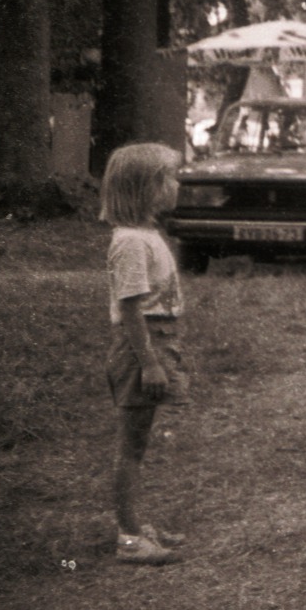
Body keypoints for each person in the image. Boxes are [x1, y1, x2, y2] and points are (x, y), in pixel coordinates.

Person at [101, 142, 190, 566]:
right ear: (146, 188)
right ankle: (130, 537)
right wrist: (150, 361)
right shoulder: (131, 241)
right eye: (169, 178)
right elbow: (131, 307)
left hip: (160, 338)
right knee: (131, 446)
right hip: (143, 344)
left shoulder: (147, 235)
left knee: (139, 441)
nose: (175, 186)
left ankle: (136, 524)